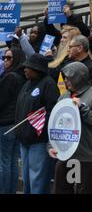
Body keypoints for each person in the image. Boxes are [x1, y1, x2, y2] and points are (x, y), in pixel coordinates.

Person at [48, 62, 92, 194]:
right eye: (65, 77)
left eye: (69, 77)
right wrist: (51, 145)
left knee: (85, 191)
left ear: (78, 77)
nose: (66, 80)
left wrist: (82, 108)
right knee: (61, 190)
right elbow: (56, 124)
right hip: (65, 154)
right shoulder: (64, 96)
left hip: (86, 156)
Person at [15, 54, 59, 194]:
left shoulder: (49, 84)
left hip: (39, 141)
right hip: (25, 140)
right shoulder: (27, 84)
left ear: (37, 68)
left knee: (37, 180)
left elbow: (52, 112)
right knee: (27, 180)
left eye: (28, 67)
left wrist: (42, 131)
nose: (25, 70)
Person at [0, 48, 26, 193]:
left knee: (4, 162)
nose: (5, 60)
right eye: (4, 57)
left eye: (9, 58)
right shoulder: (23, 76)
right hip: (16, 124)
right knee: (12, 162)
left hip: (5, 124)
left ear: (16, 59)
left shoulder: (10, 77)